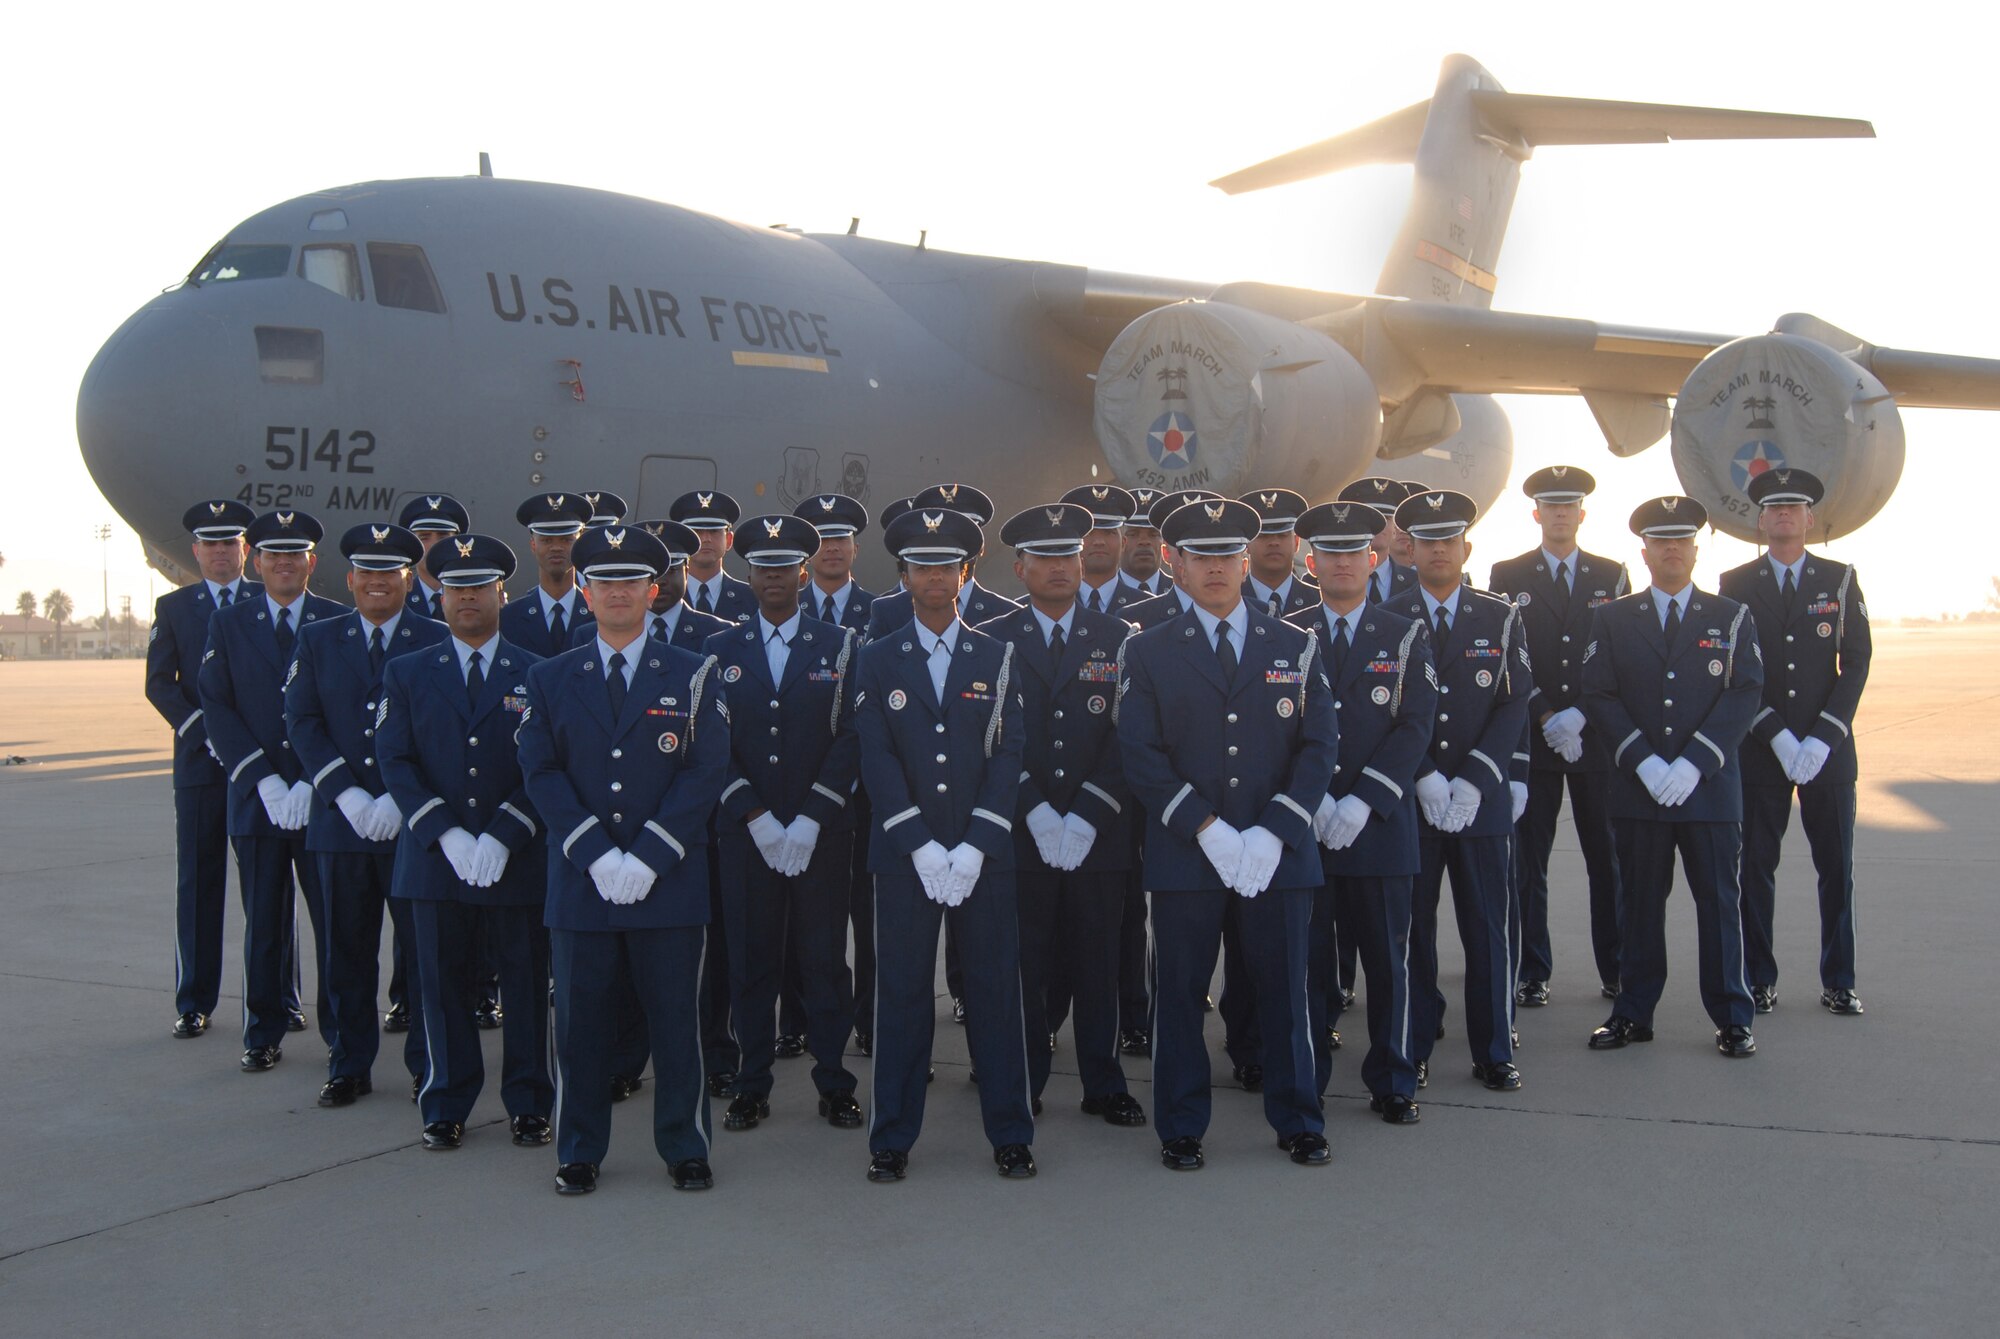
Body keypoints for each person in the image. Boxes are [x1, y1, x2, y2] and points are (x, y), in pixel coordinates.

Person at [1118, 497, 1337, 1171]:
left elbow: (1320, 744)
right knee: (1180, 993)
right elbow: (1140, 754)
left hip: (1278, 856)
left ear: (1246, 561)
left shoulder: (1294, 645)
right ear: (1175, 565)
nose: (1215, 568)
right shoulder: (1148, 649)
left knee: (1285, 991)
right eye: (1199, 556)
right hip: (1188, 855)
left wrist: (1276, 830)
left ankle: (1299, 1116)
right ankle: (1181, 1124)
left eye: (1226, 555)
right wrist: (1206, 827)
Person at [517, 524, 729, 1194]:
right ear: (584, 592)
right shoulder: (548, 678)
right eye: (603, 581)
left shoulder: (693, 673)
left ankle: (685, 1144)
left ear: (653, 588)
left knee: (675, 1024)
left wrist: (648, 854)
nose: (617, 591)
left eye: (630, 580)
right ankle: (578, 1149)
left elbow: (705, 771)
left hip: (667, 883)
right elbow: (541, 771)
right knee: (580, 1028)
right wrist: (596, 852)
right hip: (582, 884)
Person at [852, 505, 1034, 1182]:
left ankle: (1011, 1131)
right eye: (920, 566)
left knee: (993, 990)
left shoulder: (998, 656)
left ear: (966, 572)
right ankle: (891, 1138)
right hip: (906, 858)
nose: (934, 577)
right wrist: (922, 845)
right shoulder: (875, 659)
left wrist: (976, 843)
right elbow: (876, 757)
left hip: (983, 857)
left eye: (946, 565)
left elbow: (1009, 754)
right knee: (901, 994)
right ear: (902, 575)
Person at [377, 533, 555, 1151]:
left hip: (517, 858)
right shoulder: (405, 672)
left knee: (526, 984)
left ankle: (530, 1102)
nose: (467, 598)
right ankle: (446, 1100)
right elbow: (394, 761)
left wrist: (505, 833)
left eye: (479, 586)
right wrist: (443, 831)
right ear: (440, 595)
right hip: (435, 859)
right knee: (440, 984)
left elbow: (545, 765)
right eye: (456, 588)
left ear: (501, 592)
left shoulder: (536, 673)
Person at [978, 503, 1145, 1128]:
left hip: (1098, 836)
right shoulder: (992, 639)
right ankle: (1026, 1077)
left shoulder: (1120, 639)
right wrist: (1037, 812)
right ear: (1019, 568)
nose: (1059, 568)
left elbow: (1131, 738)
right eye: (1044, 558)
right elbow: (990, 738)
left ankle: (1104, 1081)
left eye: (1068, 556)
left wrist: (1086, 814)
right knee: (1025, 964)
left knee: (1100, 961)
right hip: (1022, 836)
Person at [1582, 496, 1763, 1058]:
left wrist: (1693, 762)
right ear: (1644, 551)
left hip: (1708, 790)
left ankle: (1733, 1017)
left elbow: (1745, 692)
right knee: (1638, 905)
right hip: (1640, 791)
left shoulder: (1730, 617)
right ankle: (1633, 1013)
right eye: (1660, 541)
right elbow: (1600, 693)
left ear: (1695, 549)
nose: (1671, 550)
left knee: (1719, 904)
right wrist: (1644, 759)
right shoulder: (1611, 617)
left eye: (1680, 540)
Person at [704, 513, 865, 1132]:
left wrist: (811, 817)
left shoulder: (841, 646)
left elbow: (852, 736)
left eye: (785, 567)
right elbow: (711, 741)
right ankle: (751, 1083)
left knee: (824, 960)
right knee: (751, 961)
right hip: (747, 838)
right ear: (749, 575)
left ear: (804, 571)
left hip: (821, 837)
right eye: (763, 568)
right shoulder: (718, 650)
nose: (775, 578)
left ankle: (834, 1081)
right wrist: (757, 816)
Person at [282, 523, 443, 1107]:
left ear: (408, 578)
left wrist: (404, 801)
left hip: (413, 829)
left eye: (390, 573)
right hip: (341, 825)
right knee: (345, 950)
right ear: (349, 580)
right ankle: (349, 1062)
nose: (378, 583)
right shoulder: (319, 640)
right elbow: (302, 723)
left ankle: (430, 1063)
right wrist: (347, 795)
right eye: (367, 574)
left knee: (424, 953)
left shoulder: (435, 636)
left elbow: (444, 732)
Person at [1288, 500, 1435, 1123]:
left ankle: (1395, 1079)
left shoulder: (1405, 634)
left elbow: (1415, 727)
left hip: (1379, 825)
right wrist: (1314, 800)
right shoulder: (1287, 635)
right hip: (1307, 829)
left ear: (1373, 561)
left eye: (1354, 552)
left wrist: (1365, 797)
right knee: (1309, 964)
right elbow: (1280, 735)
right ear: (1311, 561)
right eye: (1330, 553)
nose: (1343, 563)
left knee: (1388, 962)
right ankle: (1307, 1077)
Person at [1389, 489, 1532, 1092]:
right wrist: (1421, 773)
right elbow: (1387, 715)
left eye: (1449, 540)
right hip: (1412, 804)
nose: (1439, 550)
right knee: (1414, 934)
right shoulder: (1389, 618)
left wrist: (1476, 779)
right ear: (1410, 551)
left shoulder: (1500, 616)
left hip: (1481, 804)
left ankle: (1494, 1049)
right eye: (1427, 541)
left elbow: (1513, 702)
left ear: (1466, 547)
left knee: (1487, 931)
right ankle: (1416, 1044)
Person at [1719, 469, 1872, 1016]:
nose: (1784, 514)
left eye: (1795, 506)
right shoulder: (1734, 583)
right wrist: (1777, 734)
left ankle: (1840, 980)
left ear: (1810, 519)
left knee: (1837, 867)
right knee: (1755, 866)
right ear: (1761, 520)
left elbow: (1854, 664)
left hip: (1828, 754)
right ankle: (1760, 978)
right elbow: (1733, 669)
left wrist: (1823, 737)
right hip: (1762, 751)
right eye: (1774, 506)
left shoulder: (1840, 579)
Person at [197, 510, 344, 1072]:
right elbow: (218, 706)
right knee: (263, 919)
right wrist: (262, 778)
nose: (284, 564)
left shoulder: (336, 621)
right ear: (256, 562)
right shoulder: (230, 625)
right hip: (257, 799)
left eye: (295, 555)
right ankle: (263, 1030)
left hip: (322, 800)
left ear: (312, 562)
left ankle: (340, 1030)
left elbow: (348, 711)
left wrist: (312, 780)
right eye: (273, 555)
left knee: (334, 922)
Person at [1487, 466, 1629, 1007]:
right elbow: (1506, 659)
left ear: (1582, 515)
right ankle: (1532, 971)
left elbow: (1619, 657)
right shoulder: (1507, 575)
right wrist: (1547, 715)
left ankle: (1615, 969)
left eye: (1568, 506)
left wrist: (1583, 715)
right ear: (1537, 515)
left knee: (1606, 861)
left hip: (1594, 745)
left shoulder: (1610, 576)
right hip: (1533, 743)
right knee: (1528, 864)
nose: (1560, 514)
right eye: (1551, 507)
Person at [146, 500, 261, 1040]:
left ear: (245, 551)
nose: (220, 553)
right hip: (200, 767)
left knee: (268, 888)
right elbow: (159, 683)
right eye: (210, 545)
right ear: (195, 551)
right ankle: (194, 999)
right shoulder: (174, 608)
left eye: (229, 544)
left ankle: (279, 996)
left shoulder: (268, 602)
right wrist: (205, 733)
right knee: (199, 881)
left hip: (262, 769)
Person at [791, 493, 878, 1051]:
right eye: (820, 539)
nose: (832, 549)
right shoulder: (779, 607)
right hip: (802, 794)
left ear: (854, 547)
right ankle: (796, 1023)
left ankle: (869, 1021)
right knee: (802, 922)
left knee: (869, 920)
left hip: (869, 796)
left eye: (842, 539)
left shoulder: (883, 611)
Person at [864, 483, 1019, 638]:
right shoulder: (887, 611)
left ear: (981, 545)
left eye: (964, 533)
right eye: (941, 537)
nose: (949, 545)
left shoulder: (1008, 614)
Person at [500, 493, 596, 661]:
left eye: (566, 540)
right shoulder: (508, 619)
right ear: (533, 545)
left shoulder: (600, 615)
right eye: (547, 541)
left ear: (580, 544)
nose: (556, 548)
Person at [1059, 484, 1147, 619]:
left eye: (1108, 532)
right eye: (1089, 533)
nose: (1099, 541)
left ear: (1124, 543)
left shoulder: (1149, 608)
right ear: (1072, 542)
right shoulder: (1048, 606)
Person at [671, 490, 756, 623]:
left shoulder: (752, 599)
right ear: (683, 540)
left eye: (714, 531)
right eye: (697, 531)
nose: (706, 539)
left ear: (729, 540)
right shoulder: (666, 598)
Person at [1238, 488, 1319, 618]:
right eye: (1263, 536)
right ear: (1246, 544)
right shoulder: (1230, 602)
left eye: (1282, 535)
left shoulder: (1319, 601)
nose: (1274, 542)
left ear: (1296, 542)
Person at [1340, 478, 1419, 606]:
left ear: (1395, 528)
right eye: (1369, 517)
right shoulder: (1331, 579)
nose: (1379, 525)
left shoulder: (1416, 582)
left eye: (1386, 518)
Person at [397, 494, 470, 622]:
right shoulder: (397, 602)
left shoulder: (473, 601)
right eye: (424, 537)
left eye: (443, 537)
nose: (434, 545)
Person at [1117, 487, 1172, 602]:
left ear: (1163, 542)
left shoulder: (1181, 593)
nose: (1144, 541)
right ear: (1120, 541)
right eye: (1133, 534)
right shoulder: (1101, 596)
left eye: (1153, 534)